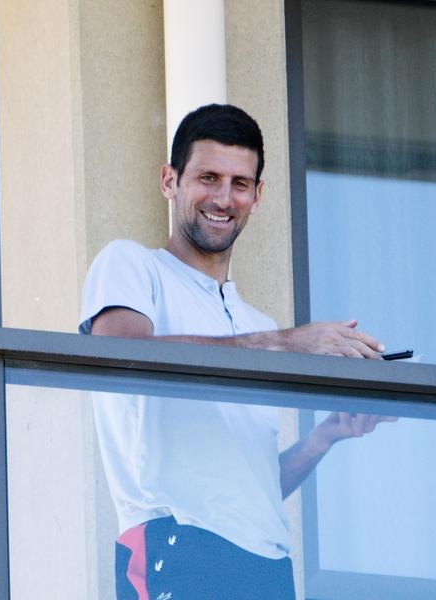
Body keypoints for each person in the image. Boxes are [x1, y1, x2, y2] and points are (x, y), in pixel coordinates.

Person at [80, 104, 391, 600]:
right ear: (169, 181)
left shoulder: (255, 324)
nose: (223, 198)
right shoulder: (132, 265)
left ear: (258, 195)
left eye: (240, 183)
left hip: (267, 565)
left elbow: (252, 485)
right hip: (176, 542)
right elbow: (120, 353)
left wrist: (324, 437)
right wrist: (287, 342)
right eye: (208, 178)